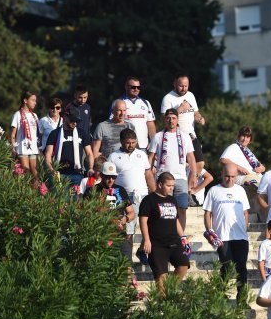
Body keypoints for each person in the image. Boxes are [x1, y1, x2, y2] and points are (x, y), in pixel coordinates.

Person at [138, 171, 190, 294]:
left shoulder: (172, 199)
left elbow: (176, 219)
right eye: (168, 186)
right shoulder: (149, 200)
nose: (171, 188)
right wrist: (146, 239)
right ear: (160, 184)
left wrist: (183, 236)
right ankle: (162, 304)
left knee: (183, 265)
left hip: (173, 241)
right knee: (161, 277)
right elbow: (143, 221)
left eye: (173, 186)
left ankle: (170, 290)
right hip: (157, 244)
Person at [108, 128, 156, 259]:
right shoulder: (113, 156)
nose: (131, 145)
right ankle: (126, 259)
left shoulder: (142, 155)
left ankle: (141, 250)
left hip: (142, 195)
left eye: (134, 142)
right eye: (128, 142)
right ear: (122, 141)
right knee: (128, 230)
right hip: (123, 197)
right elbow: (109, 179)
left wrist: (155, 193)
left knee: (151, 224)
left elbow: (148, 175)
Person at [147, 108, 196, 231]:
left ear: (177, 120)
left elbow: (191, 157)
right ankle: (165, 232)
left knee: (182, 208)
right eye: (168, 118)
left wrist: (194, 174)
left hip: (180, 178)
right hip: (163, 177)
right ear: (164, 119)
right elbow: (151, 157)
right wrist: (148, 174)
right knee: (164, 209)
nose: (171, 121)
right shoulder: (158, 136)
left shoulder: (185, 136)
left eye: (174, 118)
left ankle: (181, 237)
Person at [203, 165, 250, 287]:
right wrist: (210, 232)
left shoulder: (240, 190)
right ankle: (221, 295)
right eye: (227, 176)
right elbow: (207, 213)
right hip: (222, 237)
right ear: (222, 175)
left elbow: (246, 213)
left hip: (241, 237)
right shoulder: (214, 190)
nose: (230, 179)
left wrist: (244, 229)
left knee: (241, 269)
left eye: (233, 177)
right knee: (227, 266)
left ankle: (242, 301)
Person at [161, 73, 206, 175]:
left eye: (186, 86)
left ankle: (191, 188)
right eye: (181, 86)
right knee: (183, 165)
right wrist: (180, 109)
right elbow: (163, 120)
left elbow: (195, 112)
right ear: (175, 84)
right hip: (176, 137)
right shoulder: (168, 98)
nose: (184, 89)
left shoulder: (190, 95)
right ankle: (184, 186)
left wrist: (199, 118)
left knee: (200, 163)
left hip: (191, 135)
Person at [84, 162, 135, 243]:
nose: (111, 180)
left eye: (114, 177)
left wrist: (124, 219)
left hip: (119, 234)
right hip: (100, 234)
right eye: (108, 177)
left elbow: (131, 212)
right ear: (101, 175)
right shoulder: (91, 190)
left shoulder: (121, 190)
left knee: (125, 254)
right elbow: (85, 212)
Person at [44, 106, 94, 189]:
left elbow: (89, 153)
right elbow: (48, 154)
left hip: (77, 174)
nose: (74, 123)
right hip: (59, 173)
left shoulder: (82, 133)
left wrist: (91, 168)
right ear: (65, 117)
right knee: (59, 200)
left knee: (75, 200)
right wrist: (51, 169)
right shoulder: (55, 133)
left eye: (76, 120)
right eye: (72, 120)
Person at [115, 76, 156, 150]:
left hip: (144, 146)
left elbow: (150, 124)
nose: (136, 89)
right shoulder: (119, 102)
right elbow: (114, 124)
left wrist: (154, 143)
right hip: (125, 146)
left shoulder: (145, 103)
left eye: (138, 87)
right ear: (126, 87)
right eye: (133, 87)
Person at [9, 90, 41, 185]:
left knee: (36, 174)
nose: (35, 102)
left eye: (35, 100)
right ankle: (24, 196)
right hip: (22, 149)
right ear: (25, 100)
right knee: (25, 173)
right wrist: (13, 149)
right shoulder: (17, 115)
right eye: (33, 100)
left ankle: (34, 196)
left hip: (34, 149)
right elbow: (12, 135)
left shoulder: (35, 116)